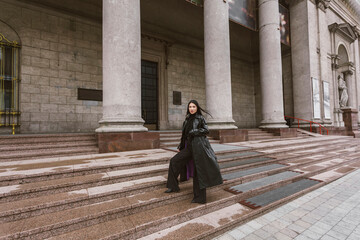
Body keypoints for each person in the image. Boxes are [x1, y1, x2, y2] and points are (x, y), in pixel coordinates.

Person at [165, 100, 223, 204]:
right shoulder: (187, 120)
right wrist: (181, 145)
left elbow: (206, 130)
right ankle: (173, 186)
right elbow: (184, 135)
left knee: (198, 172)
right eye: (190, 107)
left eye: (194, 107)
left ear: (197, 108)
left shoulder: (200, 118)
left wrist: (194, 131)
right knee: (174, 161)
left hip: (199, 148)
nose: (192, 108)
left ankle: (200, 198)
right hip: (189, 148)